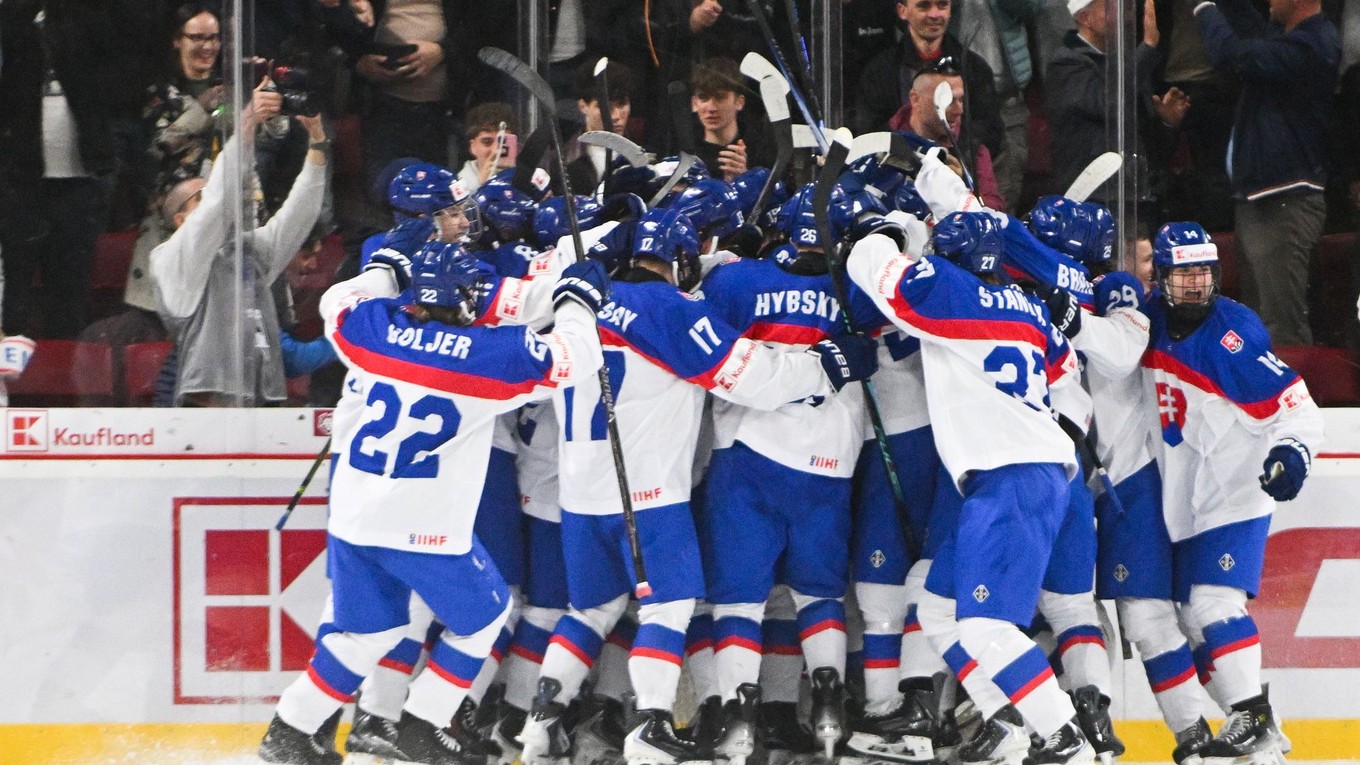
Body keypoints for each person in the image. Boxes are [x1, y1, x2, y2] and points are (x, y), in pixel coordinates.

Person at [517, 207, 877, 765]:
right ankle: (651, 726)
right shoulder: (671, 311)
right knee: (670, 607)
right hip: (650, 497)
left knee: (589, 613)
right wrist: (826, 366)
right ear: (679, 260)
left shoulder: (578, 303)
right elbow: (749, 375)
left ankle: (538, 724)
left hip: (580, 495)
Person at [257, 238, 610, 765]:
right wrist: (577, 300)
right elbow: (574, 359)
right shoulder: (488, 357)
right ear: (467, 302)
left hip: (355, 522)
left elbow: (337, 303)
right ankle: (422, 723)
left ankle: (289, 729)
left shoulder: (370, 331)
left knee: (365, 634)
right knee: (488, 617)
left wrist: (382, 269)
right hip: (424, 530)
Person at [847, 211, 1096, 765]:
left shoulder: (946, 289)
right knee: (937, 607)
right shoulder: (1028, 306)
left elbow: (869, 267)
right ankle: (1005, 719)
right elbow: (1068, 377)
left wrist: (887, 230)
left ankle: (1066, 739)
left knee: (985, 625)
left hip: (1010, 479)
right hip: (1018, 475)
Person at [1138, 222, 1324, 763]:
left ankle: (1254, 717)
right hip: (1187, 495)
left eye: (1204, 272)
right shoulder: (1148, 321)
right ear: (1162, 279)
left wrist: (1292, 453)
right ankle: (1262, 744)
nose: (1195, 285)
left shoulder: (1232, 335)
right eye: (1183, 273)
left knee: (1212, 602)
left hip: (1237, 488)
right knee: (1194, 623)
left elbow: (1298, 406)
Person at [149, 83, 327, 407]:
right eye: (198, 198)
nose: (214, 198)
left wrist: (317, 143)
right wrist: (247, 121)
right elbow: (219, 200)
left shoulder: (248, 251)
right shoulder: (173, 259)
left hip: (261, 404)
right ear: (179, 219)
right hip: (206, 409)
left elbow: (299, 216)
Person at [1192, 0, 1341, 346]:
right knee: (1256, 325)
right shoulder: (1287, 36)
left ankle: (1293, 400)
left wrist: (1203, 7)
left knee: (1282, 326)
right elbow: (1250, 25)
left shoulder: (1313, 43)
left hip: (1285, 200)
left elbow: (1233, 55)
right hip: (1261, 199)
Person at [1045, 0, 1189, 216]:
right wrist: (1148, 47)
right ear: (1085, 18)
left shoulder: (1127, 64)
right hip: (1092, 202)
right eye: (1111, 7)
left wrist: (1166, 122)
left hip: (1136, 197)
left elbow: (1147, 148)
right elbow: (1107, 105)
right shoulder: (1066, 64)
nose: (1123, 16)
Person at [853, 0, 1006, 165]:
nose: (934, 14)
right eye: (923, 6)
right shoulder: (879, 72)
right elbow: (869, 136)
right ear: (902, 11)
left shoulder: (975, 68)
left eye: (942, 5)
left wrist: (950, 162)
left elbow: (989, 132)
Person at [688, 57, 772, 183]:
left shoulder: (761, 153)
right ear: (694, 104)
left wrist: (745, 179)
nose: (711, 108)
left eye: (720, 98)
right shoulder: (685, 154)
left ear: (739, 102)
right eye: (703, 98)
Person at [456, 102, 519, 195]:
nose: (496, 151)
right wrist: (479, 186)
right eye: (487, 142)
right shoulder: (458, 186)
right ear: (473, 147)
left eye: (503, 142)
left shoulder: (528, 180)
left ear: (515, 147)